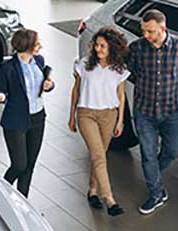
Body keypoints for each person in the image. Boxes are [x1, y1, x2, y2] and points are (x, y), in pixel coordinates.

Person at [128, 9, 178, 215]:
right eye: (143, 31)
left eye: (150, 31)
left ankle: (152, 175)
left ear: (162, 28)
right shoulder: (137, 48)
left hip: (170, 111)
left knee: (172, 151)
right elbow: (131, 72)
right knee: (148, 155)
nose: (145, 35)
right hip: (144, 111)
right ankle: (156, 193)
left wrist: (170, 88)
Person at [69, 27, 129, 217]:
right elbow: (76, 91)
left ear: (113, 48)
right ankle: (109, 199)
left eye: (103, 46)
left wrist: (120, 121)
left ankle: (92, 190)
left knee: (100, 155)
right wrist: (71, 116)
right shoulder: (84, 64)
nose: (98, 49)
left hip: (109, 115)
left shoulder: (119, 70)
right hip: (86, 114)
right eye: (96, 45)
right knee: (98, 156)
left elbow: (121, 96)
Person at [0, 29, 54, 198]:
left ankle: (22, 202)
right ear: (26, 45)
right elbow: (3, 91)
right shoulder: (7, 67)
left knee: (29, 165)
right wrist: (1, 96)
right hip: (15, 120)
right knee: (19, 165)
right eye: (37, 43)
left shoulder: (39, 61)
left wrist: (50, 85)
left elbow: (45, 84)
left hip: (38, 118)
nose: (40, 45)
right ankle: (1, 194)